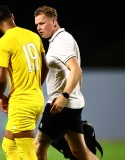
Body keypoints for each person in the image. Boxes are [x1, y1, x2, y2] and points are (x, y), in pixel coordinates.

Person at [33, 5, 99, 160]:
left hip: (60, 105)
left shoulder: (61, 41)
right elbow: (76, 73)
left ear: (54, 21)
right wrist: (73, 95)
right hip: (71, 104)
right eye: (36, 25)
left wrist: (65, 96)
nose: (38, 28)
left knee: (38, 146)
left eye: (42, 23)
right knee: (79, 152)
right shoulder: (60, 39)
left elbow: (76, 70)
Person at [0, 4, 48, 160]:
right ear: (12, 16)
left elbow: (1, 78)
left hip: (22, 102)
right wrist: (34, 87)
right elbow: (46, 68)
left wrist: (0, 96)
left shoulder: (2, 44)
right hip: (37, 99)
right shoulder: (34, 36)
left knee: (27, 153)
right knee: (9, 145)